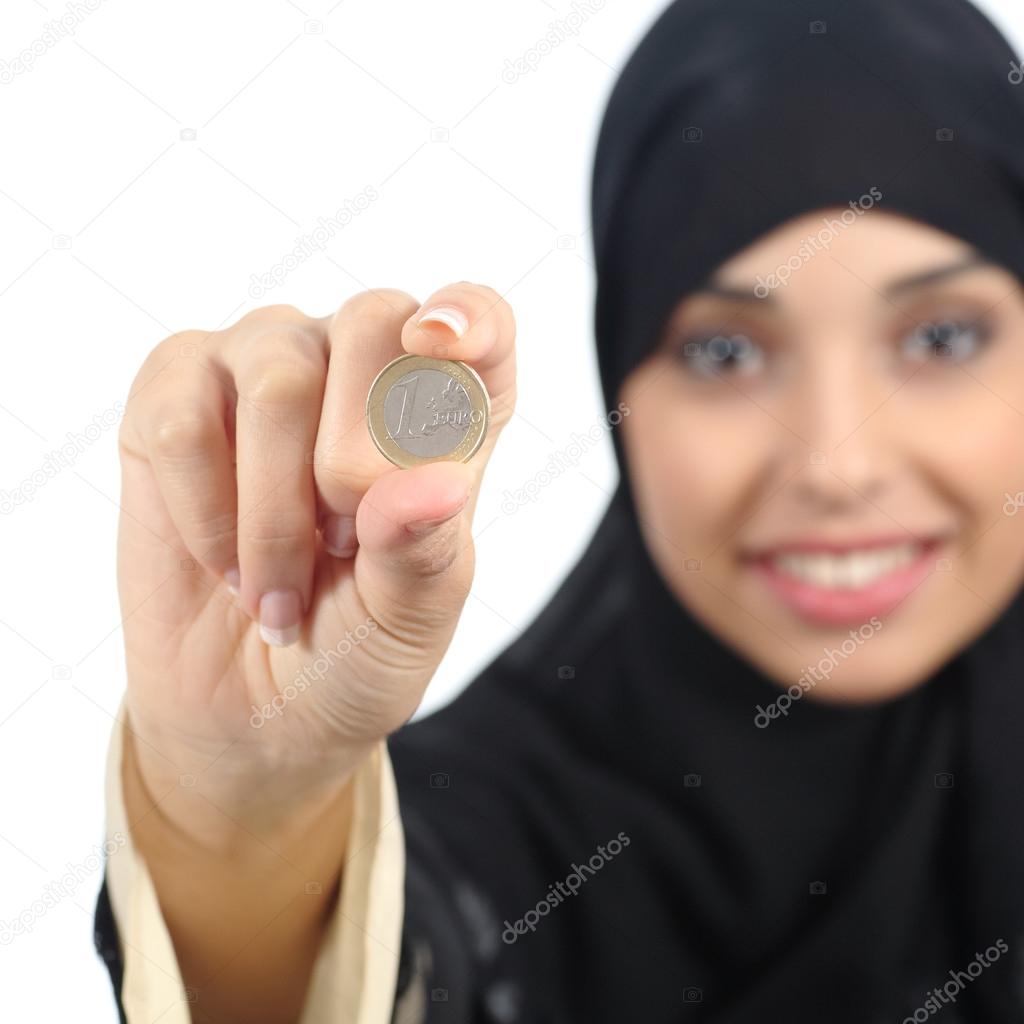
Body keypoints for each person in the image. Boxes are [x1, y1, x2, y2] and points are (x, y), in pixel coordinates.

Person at [93, 0, 1024, 1020]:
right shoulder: (500, 840)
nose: (837, 464)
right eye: (725, 352)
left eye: (941, 340)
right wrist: (241, 819)